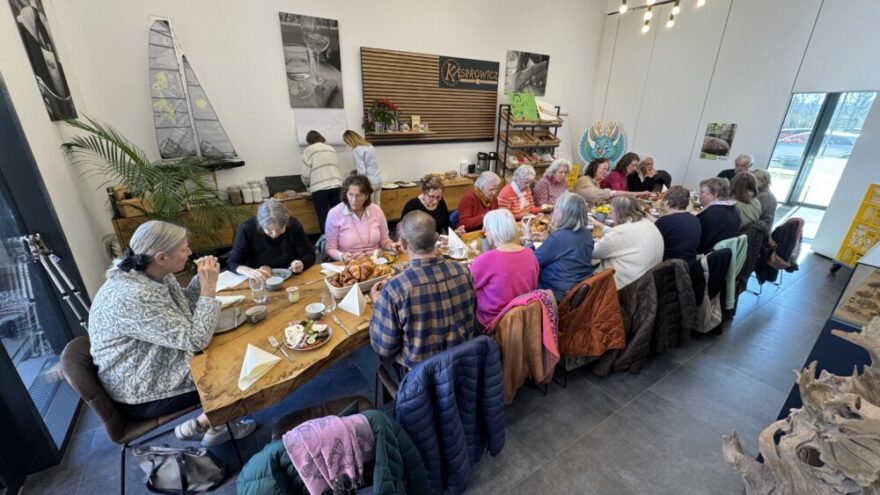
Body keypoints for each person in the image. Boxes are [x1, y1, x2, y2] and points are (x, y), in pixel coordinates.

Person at [89, 221, 256, 446]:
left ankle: (208, 423)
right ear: (161, 257)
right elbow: (195, 339)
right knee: (237, 364)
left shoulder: (151, 273)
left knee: (232, 344)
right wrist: (208, 290)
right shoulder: (134, 295)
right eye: (183, 249)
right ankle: (212, 425)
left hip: (153, 361)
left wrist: (202, 279)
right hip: (143, 388)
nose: (189, 252)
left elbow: (184, 306)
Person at [369, 211, 475, 369]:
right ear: (437, 238)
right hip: (463, 366)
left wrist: (379, 304)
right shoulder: (463, 271)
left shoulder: (396, 288)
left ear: (403, 244)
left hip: (421, 379)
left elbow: (384, 348)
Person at [470, 209, 539, 332]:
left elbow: (469, 289)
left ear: (493, 231)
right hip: (523, 319)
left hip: (493, 323)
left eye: (486, 229)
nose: (485, 233)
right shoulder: (530, 254)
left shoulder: (485, 259)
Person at [523, 192, 595, 302]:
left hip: (556, 295)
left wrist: (528, 240)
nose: (553, 211)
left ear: (566, 213)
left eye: (556, 208)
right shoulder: (586, 233)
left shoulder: (558, 239)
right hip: (579, 289)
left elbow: (531, 263)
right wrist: (550, 237)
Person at [228, 199, 316, 280]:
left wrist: (301, 264)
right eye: (269, 231)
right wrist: (249, 271)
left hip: (289, 274)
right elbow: (233, 262)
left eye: (280, 229)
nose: (274, 234)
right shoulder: (247, 229)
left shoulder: (294, 226)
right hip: (259, 276)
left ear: (286, 223)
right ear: (261, 225)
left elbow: (309, 255)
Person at [590, 196, 664, 289]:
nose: (611, 213)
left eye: (612, 210)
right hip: (648, 284)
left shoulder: (621, 232)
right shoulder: (647, 223)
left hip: (627, 287)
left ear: (618, 213)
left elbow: (593, 252)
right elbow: (625, 239)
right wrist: (600, 225)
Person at [325, 175, 396, 261]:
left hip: (376, 261)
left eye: (359, 195)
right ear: (345, 194)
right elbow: (330, 249)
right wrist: (342, 256)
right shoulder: (334, 214)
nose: (354, 200)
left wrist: (391, 245)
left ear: (366, 196)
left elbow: (385, 240)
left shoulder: (376, 210)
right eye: (351, 194)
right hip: (349, 264)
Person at [301, 130, 343, 233]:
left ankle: (327, 242)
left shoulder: (308, 150)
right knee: (338, 215)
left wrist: (307, 184)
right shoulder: (331, 148)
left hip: (319, 188)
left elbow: (305, 174)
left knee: (323, 216)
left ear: (309, 140)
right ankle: (342, 239)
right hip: (336, 185)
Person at [650, 186, 702, 262]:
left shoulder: (665, 221)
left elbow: (651, 245)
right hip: (689, 265)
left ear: (667, 202)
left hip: (667, 266)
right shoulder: (695, 219)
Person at [573, 158, 649, 205]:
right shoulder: (584, 180)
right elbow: (613, 193)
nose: (606, 172)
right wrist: (639, 193)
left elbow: (601, 200)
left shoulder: (596, 182)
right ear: (594, 168)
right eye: (604, 169)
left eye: (607, 169)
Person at [696, 177, 740, 253]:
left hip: (705, 256)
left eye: (702, 192)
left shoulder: (710, 214)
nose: (699, 195)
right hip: (720, 256)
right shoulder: (734, 210)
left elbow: (697, 241)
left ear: (715, 194)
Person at [343, 130, 382, 206]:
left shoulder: (356, 151)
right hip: (378, 179)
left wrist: (354, 174)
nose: (348, 145)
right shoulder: (370, 146)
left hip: (369, 182)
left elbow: (362, 171)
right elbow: (371, 164)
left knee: (368, 207)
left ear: (350, 140)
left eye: (347, 142)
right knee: (377, 206)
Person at [753, 168, 778, 233]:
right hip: (757, 228)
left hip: (758, 231)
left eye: (757, 178)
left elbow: (754, 216)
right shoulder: (759, 192)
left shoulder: (766, 196)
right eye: (752, 178)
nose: (753, 181)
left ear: (765, 181)